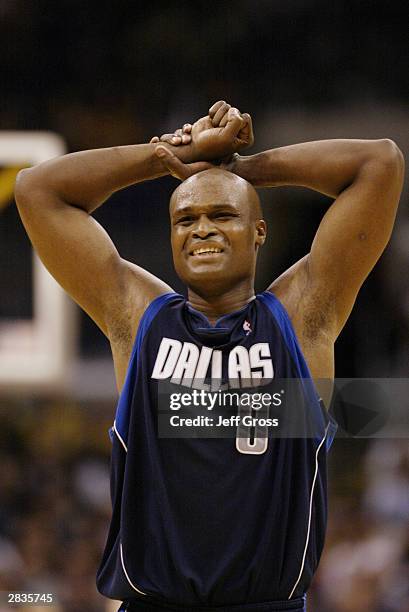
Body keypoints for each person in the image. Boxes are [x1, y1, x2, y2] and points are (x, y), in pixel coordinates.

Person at [14, 101, 404, 612]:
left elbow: (380, 164)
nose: (201, 229)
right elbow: (37, 190)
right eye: (185, 219)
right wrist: (173, 157)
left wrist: (240, 168)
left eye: (222, 214)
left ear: (259, 232)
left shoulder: (300, 318)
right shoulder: (140, 321)